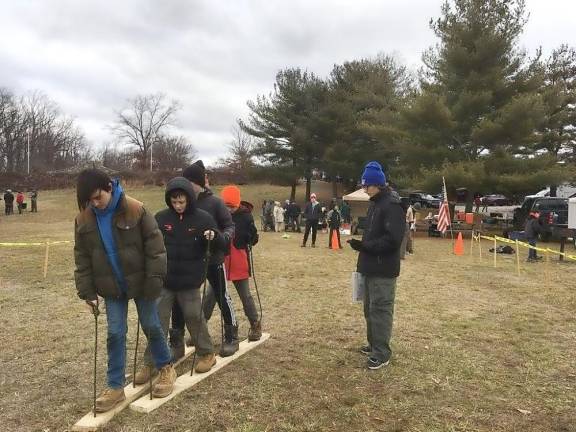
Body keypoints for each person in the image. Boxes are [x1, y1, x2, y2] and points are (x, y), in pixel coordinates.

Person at [73, 169, 176, 412]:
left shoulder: (136, 209)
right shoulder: (84, 219)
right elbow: (82, 258)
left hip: (142, 282)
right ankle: (115, 385)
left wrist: (154, 279)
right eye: (89, 201)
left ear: (109, 188)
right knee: (115, 333)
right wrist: (87, 292)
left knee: (151, 325)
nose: (94, 204)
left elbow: (156, 247)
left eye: (98, 197)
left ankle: (166, 368)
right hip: (111, 286)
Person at [135, 177, 222, 384]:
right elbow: (151, 245)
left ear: (189, 199)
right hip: (166, 281)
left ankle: (207, 353)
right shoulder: (161, 218)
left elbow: (220, 245)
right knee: (157, 322)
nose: (178, 206)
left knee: (194, 317)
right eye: (174, 202)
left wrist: (213, 237)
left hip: (191, 281)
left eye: (182, 202)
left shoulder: (203, 218)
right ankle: (151, 363)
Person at [174, 160, 239, 357]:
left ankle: (231, 335)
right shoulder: (183, 203)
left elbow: (230, 226)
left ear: (198, 183)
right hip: (190, 259)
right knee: (182, 299)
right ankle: (181, 338)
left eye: (188, 181)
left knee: (221, 296)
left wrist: (220, 237)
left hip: (213, 258)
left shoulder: (215, 203)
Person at [347, 162, 404, 370]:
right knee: (369, 309)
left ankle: (382, 352)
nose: (364, 189)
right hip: (370, 266)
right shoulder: (375, 203)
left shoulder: (392, 205)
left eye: (367, 186)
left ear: (378, 184)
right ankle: (373, 344)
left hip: (383, 269)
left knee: (380, 309)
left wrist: (366, 246)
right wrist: (362, 247)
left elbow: (392, 240)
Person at [206, 185, 262, 340]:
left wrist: (251, 239)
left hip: (238, 259)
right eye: (226, 206)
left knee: (245, 295)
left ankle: (255, 324)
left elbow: (254, 237)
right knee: (211, 295)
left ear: (238, 204)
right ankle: (201, 328)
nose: (229, 209)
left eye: (232, 206)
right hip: (220, 258)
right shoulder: (217, 215)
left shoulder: (246, 216)